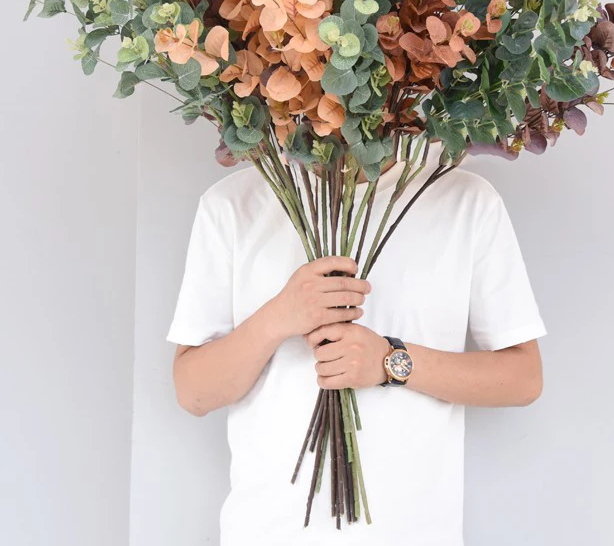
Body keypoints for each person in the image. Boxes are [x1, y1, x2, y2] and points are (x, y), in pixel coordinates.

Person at [168, 157, 546, 545]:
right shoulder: (233, 203)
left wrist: (389, 361)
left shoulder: (466, 200)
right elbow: (193, 392)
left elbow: (524, 379)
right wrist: (278, 316)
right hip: (267, 534)